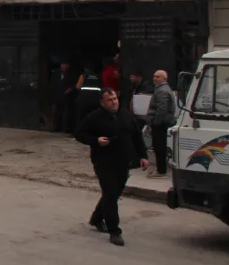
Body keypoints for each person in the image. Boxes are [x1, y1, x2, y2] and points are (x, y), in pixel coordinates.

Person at [75, 88, 149, 246]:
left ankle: (96, 218)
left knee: (114, 193)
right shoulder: (94, 117)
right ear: (102, 102)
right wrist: (96, 140)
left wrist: (143, 156)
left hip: (123, 161)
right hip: (103, 161)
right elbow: (79, 134)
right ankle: (114, 230)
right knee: (110, 192)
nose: (114, 102)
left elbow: (137, 137)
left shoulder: (126, 116)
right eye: (110, 100)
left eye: (115, 98)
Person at [146, 70, 177, 178]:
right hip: (162, 122)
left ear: (164, 79)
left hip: (160, 124)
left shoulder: (162, 91)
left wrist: (155, 122)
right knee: (160, 146)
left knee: (159, 146)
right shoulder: (162, 89)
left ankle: (161, 171)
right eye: (154, 76)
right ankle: (161, 169)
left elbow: (162, 108)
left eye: (158, 77)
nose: (154, 78)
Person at [51, 62, 75, 133]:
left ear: (68, 66)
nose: (63, 66)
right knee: (55, 112)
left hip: (66, 97)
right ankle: (54, 127)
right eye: (62, 65)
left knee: (66, 113)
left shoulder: (71, 75)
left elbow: (74, 85)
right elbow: (52, 85)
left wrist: (71, 89)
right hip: (56, 96)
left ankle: (65, 128)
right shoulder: (55, 74)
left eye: (65, 65)